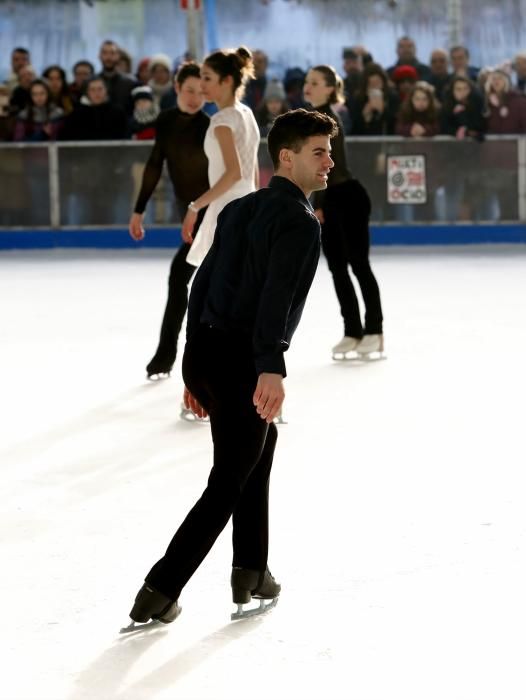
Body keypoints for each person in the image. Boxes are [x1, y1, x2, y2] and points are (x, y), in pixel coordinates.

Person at [124, 108, 337, 629]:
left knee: (257, 451)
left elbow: (200, 288)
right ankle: (159, 588)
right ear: (286, 158)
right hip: (244, 359)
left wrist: (193, 369)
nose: (330, 161)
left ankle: (251, 570)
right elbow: (275, 300)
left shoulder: (239, 210)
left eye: (329, 151)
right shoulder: (300, 222)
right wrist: (272, 368)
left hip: (208, 353)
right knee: (227, 480)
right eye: (319, 151)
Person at [129, 62, 210, 378]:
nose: (195, 97)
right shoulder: (165, 121)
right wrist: (139, 209)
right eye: (189, 90)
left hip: (211, 214)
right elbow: (154, 164)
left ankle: (169, 356)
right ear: (176, 88)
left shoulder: (209, 125)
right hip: (189, 213)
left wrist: (202, 209)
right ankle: (171, 356)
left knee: (182, 278)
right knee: (186, 281)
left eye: (201, 92)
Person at [304, 65, 384, 359]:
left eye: (314, 82)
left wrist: (320, 204)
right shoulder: (313, 119)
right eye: (307, 82)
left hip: (346, 197)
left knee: (358, 264)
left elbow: (326, 165)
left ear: (330, 88)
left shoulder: (327, 120)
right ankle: (352, 330)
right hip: (330, 198)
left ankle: (374, 330)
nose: (308, 87)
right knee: (337, 267)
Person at [182, 47, 260, 269]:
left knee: (220, 282)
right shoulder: (246, 113)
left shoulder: (222, 120)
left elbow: (234, 173)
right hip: (248, 202)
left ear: (226, 80)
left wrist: (194, 207)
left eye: (207, 78)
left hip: (228, 205)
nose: (201, 85)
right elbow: (250, 171)